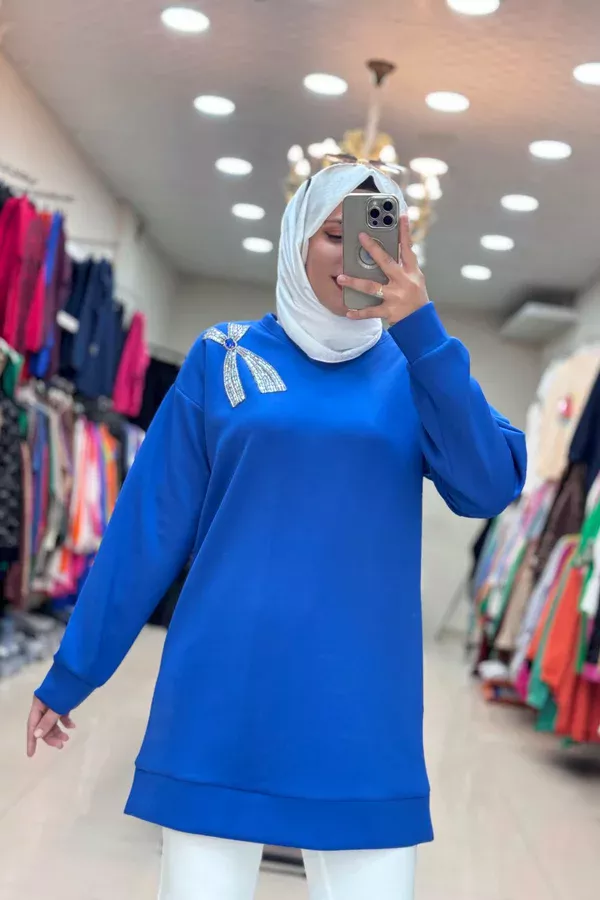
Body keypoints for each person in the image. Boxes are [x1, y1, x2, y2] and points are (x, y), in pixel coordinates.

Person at [27, 163, 526, 899]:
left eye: (381, 234)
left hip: (361, 712)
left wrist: (422, 331)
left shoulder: (416, 370)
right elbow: (148, 526)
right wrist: (76, 669)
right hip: (219, 698)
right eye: (337, 233)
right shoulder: (223, 355)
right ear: (296, 240)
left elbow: (489, 485)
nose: (360, 252)